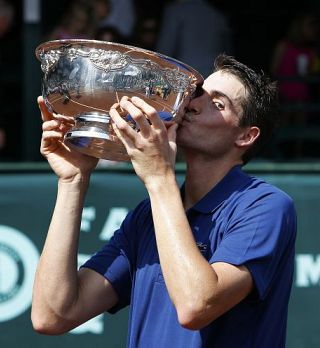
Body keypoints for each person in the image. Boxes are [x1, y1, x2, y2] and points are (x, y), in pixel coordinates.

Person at [31, 54, 297, 347]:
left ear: (246, 136)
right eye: (197, 94)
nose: (192, 105)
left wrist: (159, 178)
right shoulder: (147, 216)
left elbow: (196, 306)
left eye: (218, 104)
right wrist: (72, 181)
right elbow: (53, 315)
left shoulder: (265, 205)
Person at [156, 0, 233, 77]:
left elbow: (164, 51)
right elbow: (228, 54)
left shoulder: (175, 12)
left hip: (185, 77)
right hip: (214, 76)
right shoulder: (217, 15)